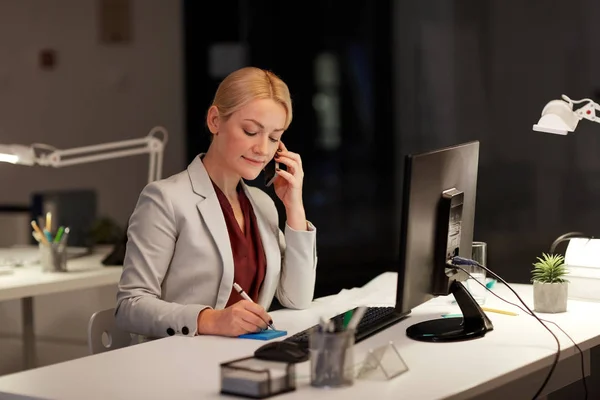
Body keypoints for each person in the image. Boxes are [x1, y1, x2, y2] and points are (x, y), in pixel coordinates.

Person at [115, 67, 317, 339]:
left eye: (273, 137)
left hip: (247, 358)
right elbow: (129, 306)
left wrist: (294, 207)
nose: (264, 149)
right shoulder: (165, 199)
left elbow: (298, 298)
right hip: (181, 363)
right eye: (250, 131)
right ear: (215, 121)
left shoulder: (262, 204)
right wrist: (209, 319)